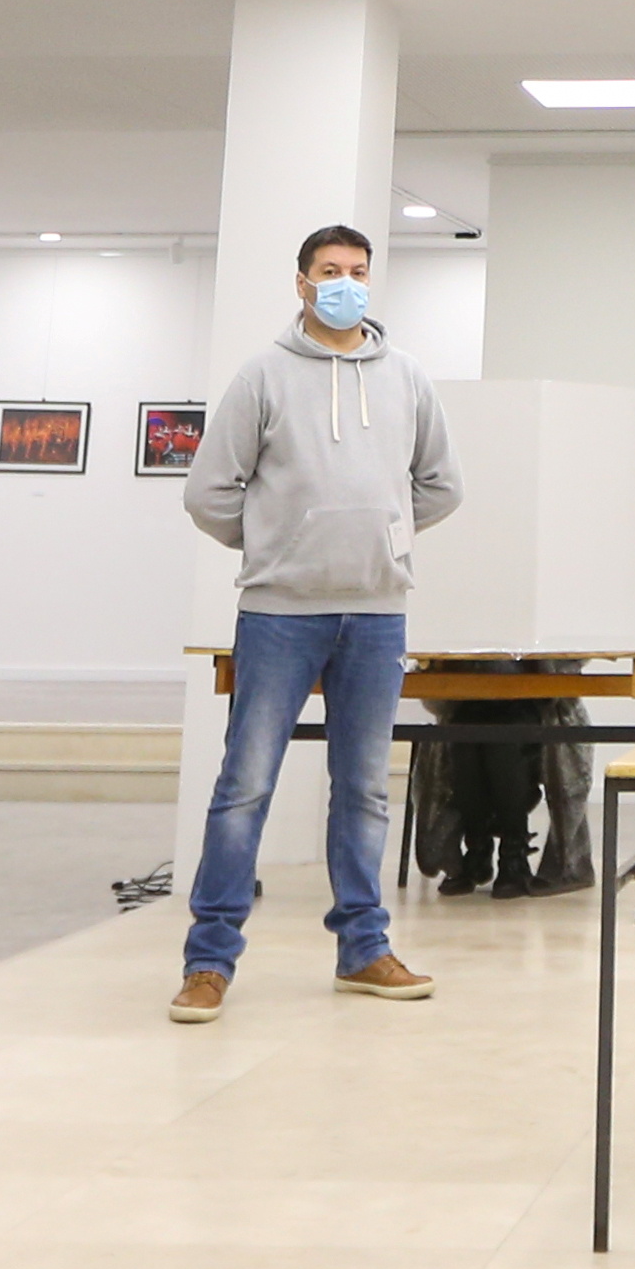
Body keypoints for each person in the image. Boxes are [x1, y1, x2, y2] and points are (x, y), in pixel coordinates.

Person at [172, 224, 460, 1022]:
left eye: (358, 271)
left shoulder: (405, 376)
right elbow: (208, 492)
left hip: (376, 616)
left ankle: (364, 949)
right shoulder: (263, 374)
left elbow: (441, 484)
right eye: (330, 270)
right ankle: (208, 961)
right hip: (279, 614)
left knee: (364, 790)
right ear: (301, 282)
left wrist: (382, 536)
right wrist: (276, 540)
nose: (345, 282)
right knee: (245, 787)